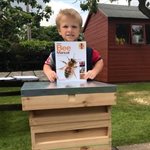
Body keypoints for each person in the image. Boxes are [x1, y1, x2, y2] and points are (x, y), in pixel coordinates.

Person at [43, 8, 104, 82]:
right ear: (59, 31)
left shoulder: (89, 51)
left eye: (74, 27)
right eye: (65, 26)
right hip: (62, 90)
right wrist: (49, 72)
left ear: (79, 30)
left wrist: (94, 72)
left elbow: (100, 61)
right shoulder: (54, 54)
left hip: (84, 90)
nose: (70, 30)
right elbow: (46, 65)